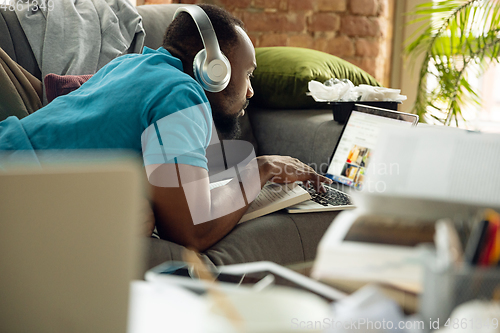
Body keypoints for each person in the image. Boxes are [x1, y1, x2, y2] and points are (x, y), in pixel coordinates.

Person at [0, 4, 331, 251]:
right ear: (214, 70)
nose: (250, 91)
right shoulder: (180, 94)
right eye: (249, 75)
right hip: (16, 194)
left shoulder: (130, 64)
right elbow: (189, 232)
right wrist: (263, 168)